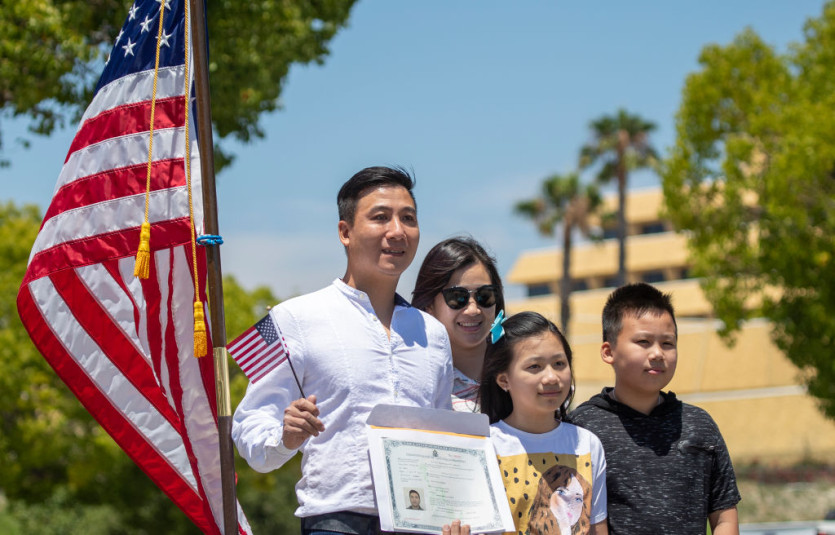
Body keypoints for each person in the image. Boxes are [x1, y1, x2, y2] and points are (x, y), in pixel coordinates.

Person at [232, 166, 467, 535]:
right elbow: (249, 429)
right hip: (336, 522)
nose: (397, 231)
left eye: (408, 218)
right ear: (345, 232)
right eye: (380, 217)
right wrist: (286, 435)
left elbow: (442, 439)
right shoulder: (292, 317)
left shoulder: (433, 334)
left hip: (422, 523)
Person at [570, 283, 741, 535]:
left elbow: (724, 517)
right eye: (643, 341)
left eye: (668, 343)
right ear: (608, 352)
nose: (658, 353)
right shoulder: (580, 429)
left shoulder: (699, 426)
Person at [480, 311, 608, 535]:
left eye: (559, 363)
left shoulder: (588, 443)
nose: (551, 377)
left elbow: (598, 528)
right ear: (504, 380)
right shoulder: (485, 446)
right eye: (535, 367)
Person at [412, 237, 504, 412]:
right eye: (457, 297)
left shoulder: (521, 374)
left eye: (485, 295)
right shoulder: (415, 384)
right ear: (429, 305)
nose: (473, 309)